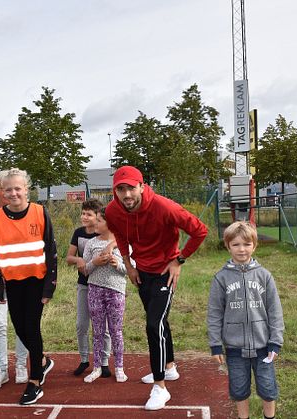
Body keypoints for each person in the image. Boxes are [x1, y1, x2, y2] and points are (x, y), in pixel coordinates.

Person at [105, 165, 208, 410]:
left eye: (131, 188)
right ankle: (169, 367)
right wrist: (128, 266)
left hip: (165, 272)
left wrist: (179, 260)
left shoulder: (165, 207)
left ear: (141, 186)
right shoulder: (112, 210)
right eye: (121, 189)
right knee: (160, 321)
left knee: (154, 325)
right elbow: (120, 235)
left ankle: (160, 387)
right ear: (115, 191)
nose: (127, 195)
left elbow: (200, 231)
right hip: (142, 272)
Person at [0, 168, 56, 405]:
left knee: (32, 328)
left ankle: (35, 380)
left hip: (36, 281)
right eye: (8, 190)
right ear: (2, 192)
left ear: (26, 189)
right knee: (20, 329)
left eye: (18, 188)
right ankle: (43, 360)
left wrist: (49, 287)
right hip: (12, 283)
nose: (13, 193)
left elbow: (51, 251)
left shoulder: (40, 212)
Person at [207, 221, 284, 419]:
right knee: (239, 390)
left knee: (268, 389)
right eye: (236, 244)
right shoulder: (221, 278)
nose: (242, 249)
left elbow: (275, 311)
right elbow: (215, 313)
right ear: (228, 246)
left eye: (246, 244)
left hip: (263, 347)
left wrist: (275, 341)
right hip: (235, 349)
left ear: (254, 245)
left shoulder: (264, 276)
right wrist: (215, 344)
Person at [0, 170, 29, 390]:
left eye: (11, 187)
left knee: (22, 322)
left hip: (22, 276)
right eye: (2, 188)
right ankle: (2, 368)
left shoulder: (26, 211)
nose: (7, 192)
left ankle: (21, 364)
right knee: (0, 323)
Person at [65, 198, 112, 377]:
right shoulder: (78, 233)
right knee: (81, 324)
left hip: (102, 285)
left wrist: (94, 262)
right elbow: (69, 257)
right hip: (84, 285)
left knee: (103, 327)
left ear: (98, 216)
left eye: (89, 214)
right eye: (83, 213)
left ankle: (105, 361)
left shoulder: (104, 234)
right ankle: (84, 359)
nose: (84, 217)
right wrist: (78, 259)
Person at [81, 207, 128, 383]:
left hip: (116, 291)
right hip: (95, 290)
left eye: (99, 221)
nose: (95, 223)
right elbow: (85, 269)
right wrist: (95, 262)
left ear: (110, 224)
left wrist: (118, 265)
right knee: (98, 331)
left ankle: (119, 367)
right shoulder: (91, 244)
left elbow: (131, 270)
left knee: (116, 331)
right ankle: (97, 367)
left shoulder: (123, 243)